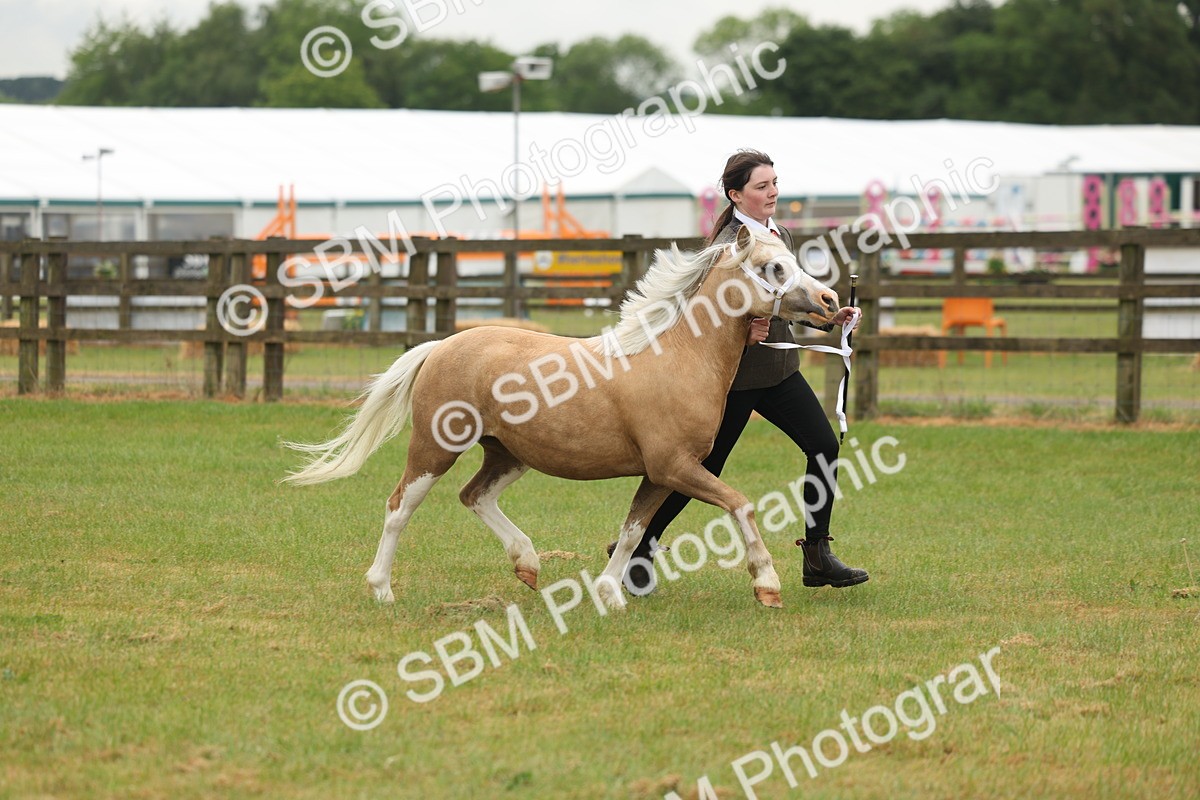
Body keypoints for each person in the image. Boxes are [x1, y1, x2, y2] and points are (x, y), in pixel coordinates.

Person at [610, 149, 869, 595]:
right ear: (736, 195)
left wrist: (832, 315)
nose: (772, 192)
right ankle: (638, 550)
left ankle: (817, 554)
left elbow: (791, 296)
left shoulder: (777, 234)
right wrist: (745, 326)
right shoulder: (726, 248)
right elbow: (704, 315)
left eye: (774, 183)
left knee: (824, 445)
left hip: (779, 372)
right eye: (761, 186)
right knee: (695, 468)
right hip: (734, 380)